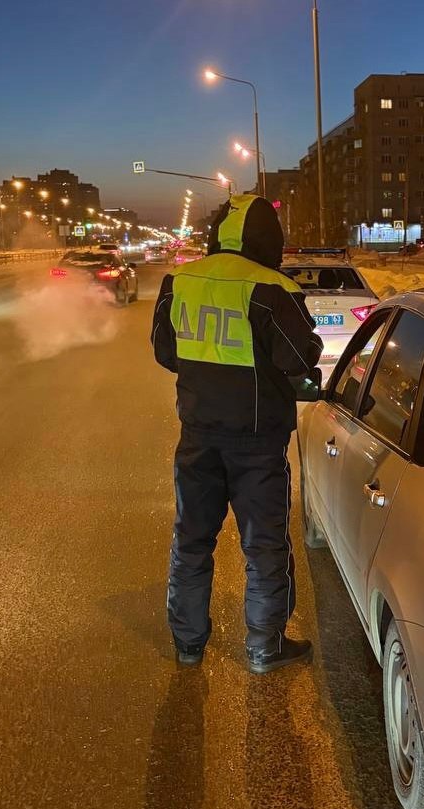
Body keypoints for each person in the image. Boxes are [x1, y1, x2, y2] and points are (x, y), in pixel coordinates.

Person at [151, 195, 323, 672]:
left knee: (191, 541)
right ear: (269, 237)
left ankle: (188, 644)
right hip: (257, 443)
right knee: (264, 546)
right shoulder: (271, 287)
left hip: (198, 436)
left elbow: (165, 352)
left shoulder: (179, 281)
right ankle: (265, 647)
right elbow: (298, 357)